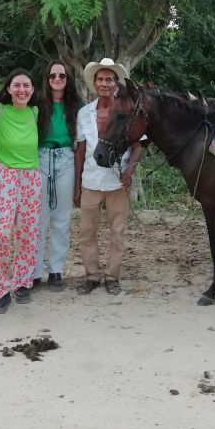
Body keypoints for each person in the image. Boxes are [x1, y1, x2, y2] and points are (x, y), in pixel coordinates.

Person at [74, 58, 143, 295]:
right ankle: (92, 275)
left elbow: (138, 145)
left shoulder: (126, 110)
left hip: (117, 182)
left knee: (117, 231)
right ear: (94, 83)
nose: (105, 84)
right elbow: (81, 150)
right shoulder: (84, 113)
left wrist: (130, 170)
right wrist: (77, 185)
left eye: (109, 79)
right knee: (87, 231)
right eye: (100, 79)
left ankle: (113, 276)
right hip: (91, 181)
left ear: (116, 84)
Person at [0, 69, 42, 314]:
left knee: (28, 232)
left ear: (32, 89)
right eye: (17, 85)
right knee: (0, 232)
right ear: (8, 88)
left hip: (31, 175)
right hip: (2, 174)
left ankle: (21, 282)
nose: (22, 90)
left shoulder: (35, 111)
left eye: (26, 85)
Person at [34, 61, 82, 292]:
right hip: (41, 158)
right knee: (39, 218)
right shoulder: (37, 104)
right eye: (52, 75)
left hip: (65, 159)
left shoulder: (75, 106)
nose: (57, 79)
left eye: (61, 75)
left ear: (67, 79)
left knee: (61, 219)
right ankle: (33, 271)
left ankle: (55, 270)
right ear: (47, 78)